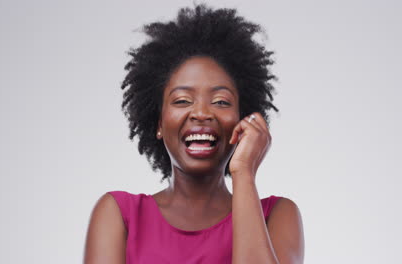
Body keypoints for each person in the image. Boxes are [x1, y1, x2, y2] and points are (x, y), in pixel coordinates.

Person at [84, 4, 304, 264]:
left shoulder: (277, 215)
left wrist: (244, 172)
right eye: (182, 101)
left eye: (221, 101)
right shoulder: (119, 214)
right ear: (157, 124)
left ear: (244, 122)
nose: (201, 113)